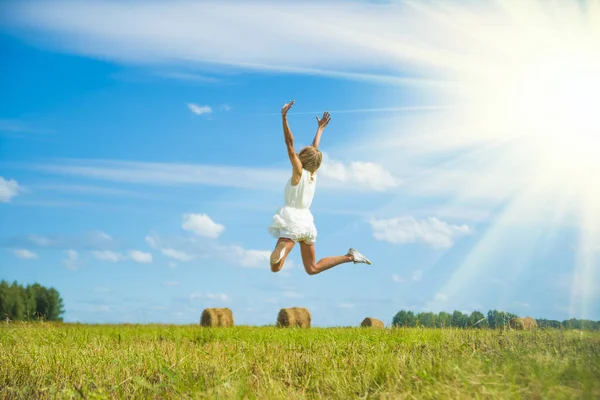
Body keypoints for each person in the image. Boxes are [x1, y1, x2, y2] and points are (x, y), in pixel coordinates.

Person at [268, 100, 371, 275]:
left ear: (302, 158)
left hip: (291, 220)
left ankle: (283, 247)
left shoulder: (298, 172)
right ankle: (350, 257)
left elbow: (289, 144)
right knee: (312, 268)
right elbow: (314, 150)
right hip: (306, 223)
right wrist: (320, 129)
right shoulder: (312, 175)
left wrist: (284, 118)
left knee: (275, 267)